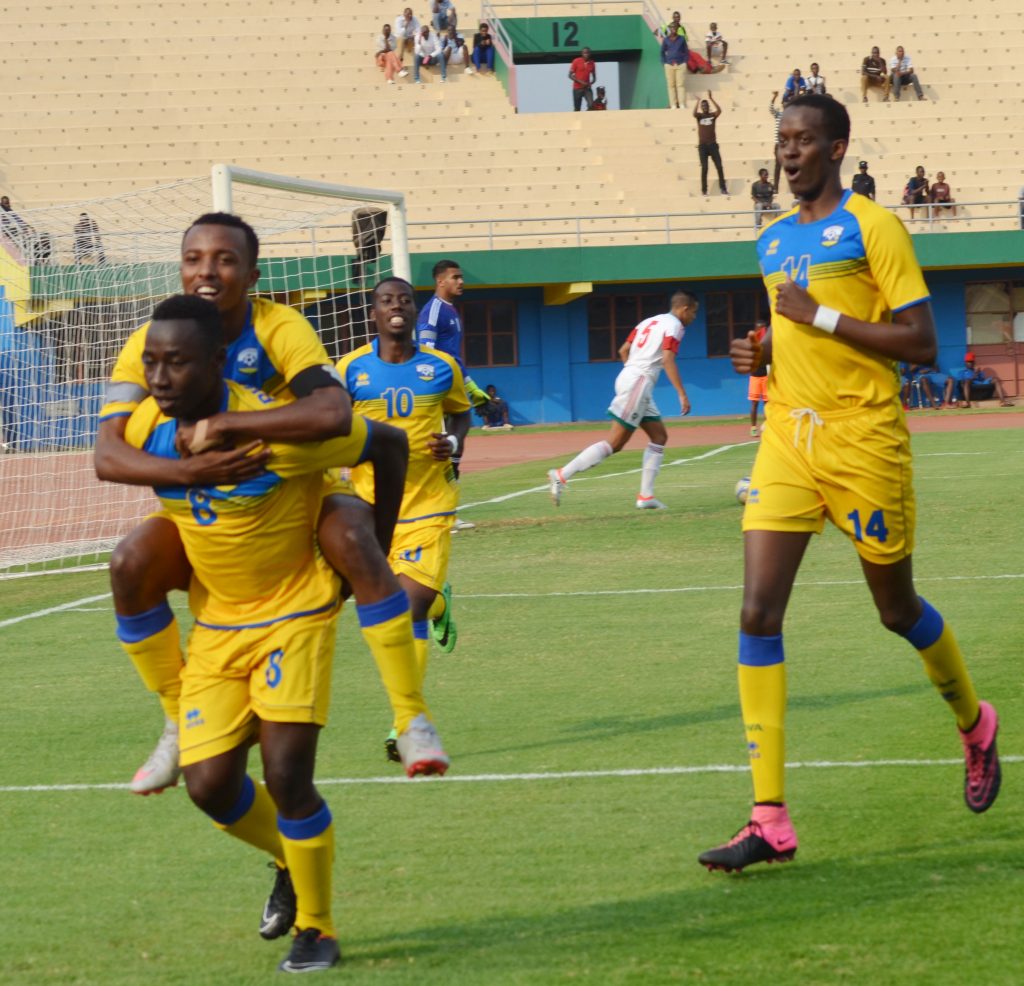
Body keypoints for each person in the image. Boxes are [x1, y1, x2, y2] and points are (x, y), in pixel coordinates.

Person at [698, 94, 1001, 875]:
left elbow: (924, 343)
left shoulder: (875, 225)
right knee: (757, 611)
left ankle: (974, 723)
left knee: (895, 610)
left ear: (837, 147)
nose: (787, 153)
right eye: (780, 140)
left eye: (802, 141)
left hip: (865, 442)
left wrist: (821, 319)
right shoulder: (770, 241)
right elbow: (790, 332)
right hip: (789, 443)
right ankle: (769, 818)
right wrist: (764, 355)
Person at [124, 294, 439, 973]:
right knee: (208, 786)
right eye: (151, 362)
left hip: (294, 617)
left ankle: (318, 929)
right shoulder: (148, 425)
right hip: (215, 624)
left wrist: (372, 551)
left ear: (215, 362)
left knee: (288, 775)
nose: (158, 378)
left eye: (176, 364)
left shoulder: (279, 435)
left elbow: (385, 443)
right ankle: (287, 859)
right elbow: (108, 456)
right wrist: (185, 468)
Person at [95, 213, 437, 794]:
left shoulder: (279, 326)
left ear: (251, 274)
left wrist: (227, 423)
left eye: (224, 259)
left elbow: (332, 413)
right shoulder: (151, 340)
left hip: (294, 485)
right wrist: (191, 468)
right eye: (194, 258)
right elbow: (107, 454)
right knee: (129, 563)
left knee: (354, 537)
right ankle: (179, 718)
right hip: (207, 495)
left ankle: (411, 718)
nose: (206, 271)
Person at [338, 278, 472, 760]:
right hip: (371, 513)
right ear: (372, 312)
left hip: (429, 504)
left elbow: (461, 415)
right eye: (386, 301)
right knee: (396, 610)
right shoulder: (350, 369)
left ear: (416, 310)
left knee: (403, 607)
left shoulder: (442, 368)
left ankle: (407, 727)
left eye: (405, 300)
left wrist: (453, 444)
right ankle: (439, 605)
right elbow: (333, 426)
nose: (397, 307)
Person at [547, 290, 698, 510]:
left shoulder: (649, 321)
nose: (693, 317)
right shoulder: (675, 326)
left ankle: (646, 497)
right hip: (638, 382)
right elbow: (667, 359)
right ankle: (561, 474)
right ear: (684, 309)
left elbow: (623, 349)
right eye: (694, 312)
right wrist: (681, 393)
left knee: (659, 436)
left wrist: (632, 373)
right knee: (615, 443)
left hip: (631, 378)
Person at [944, 351, 1015, 407]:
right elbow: (961, 384)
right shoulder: (962, 372)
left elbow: (982, 381)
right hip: (969, 387)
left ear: (974, 362)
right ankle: (967, 403)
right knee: (967, 380)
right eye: (968, 362)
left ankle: (1003, 402)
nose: (970, 364)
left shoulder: (978, 371)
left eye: (972, 362)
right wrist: (974, 375)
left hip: (980, 386)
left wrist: (978, 373)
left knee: (995, 379)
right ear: (965, 363)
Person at [694, 93, 728, 196]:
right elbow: (694, 113)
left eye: (706, 106)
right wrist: (697, 101)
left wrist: (711, 99)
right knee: (704, 168)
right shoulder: (699, 116)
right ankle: (704, 190)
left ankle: (723, 188)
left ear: (708, 107)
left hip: (713, 145)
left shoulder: (712, 115)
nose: (704, 107)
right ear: (701, 107)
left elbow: (719, 110)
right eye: (703, 106)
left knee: (719, 166)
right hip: (703, 147)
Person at [748, 319, 769, 435]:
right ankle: (753, 427)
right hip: (755, 376)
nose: (762, 330)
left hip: (766, 376)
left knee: (767, 403)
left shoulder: (768, 344)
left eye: (764, 328)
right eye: (760, 328)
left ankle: (767, 425)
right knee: (754, 403)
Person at [661, 23, 689, 109]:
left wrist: (685, 62)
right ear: (669, 29)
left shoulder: (681, 39)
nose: (674, 29)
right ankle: (673, 104)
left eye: (675, 27)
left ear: (677, 28)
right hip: (669, 65)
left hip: (680, 64)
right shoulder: (666, 40)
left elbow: (686, 51)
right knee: (671, 85)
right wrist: (665, 62)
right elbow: (662, 52)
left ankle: (682, 104)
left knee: (680, 85)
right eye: (672, 27)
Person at [569, 46, 596, 112]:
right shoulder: (576, 61)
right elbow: (570, 75)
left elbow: (594, 77)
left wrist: (591, 83)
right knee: (577, 108)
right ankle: (576, 120)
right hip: (577, 88)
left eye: (587, 53)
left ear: (590, 54)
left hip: (587, 88)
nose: (586, 54)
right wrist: (581, 82)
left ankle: (587, 118)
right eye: (584, 53)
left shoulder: (592, 63)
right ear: (582, 53)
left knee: (591, 105)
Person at [768, 92, 784, 192]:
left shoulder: (792, 116)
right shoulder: (779, 114)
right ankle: (776, 188)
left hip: (787, 145)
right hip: (779, 144)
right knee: (777, 166)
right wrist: (774, 97)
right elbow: (771, 109)